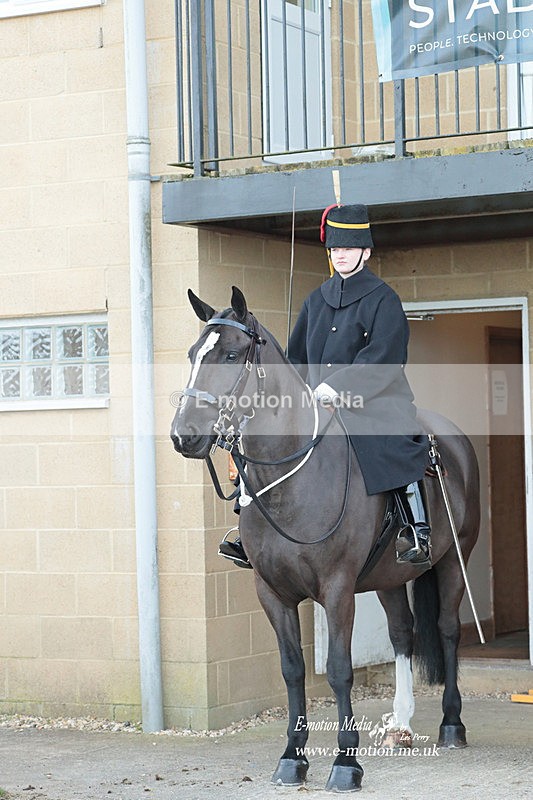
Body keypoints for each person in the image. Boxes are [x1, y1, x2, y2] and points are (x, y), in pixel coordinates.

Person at [219, 203, 431, 569]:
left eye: (348, 248)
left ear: (365, 251)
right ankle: (248, 531)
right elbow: (296, 359)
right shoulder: (316, 301)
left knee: (388, 440)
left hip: (374, 399)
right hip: (315, 403)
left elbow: (383, 356)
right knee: (265, 440)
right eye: (335, 249)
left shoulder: (384, 299)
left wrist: (336, 387)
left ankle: (415, 528)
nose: (341, 255)